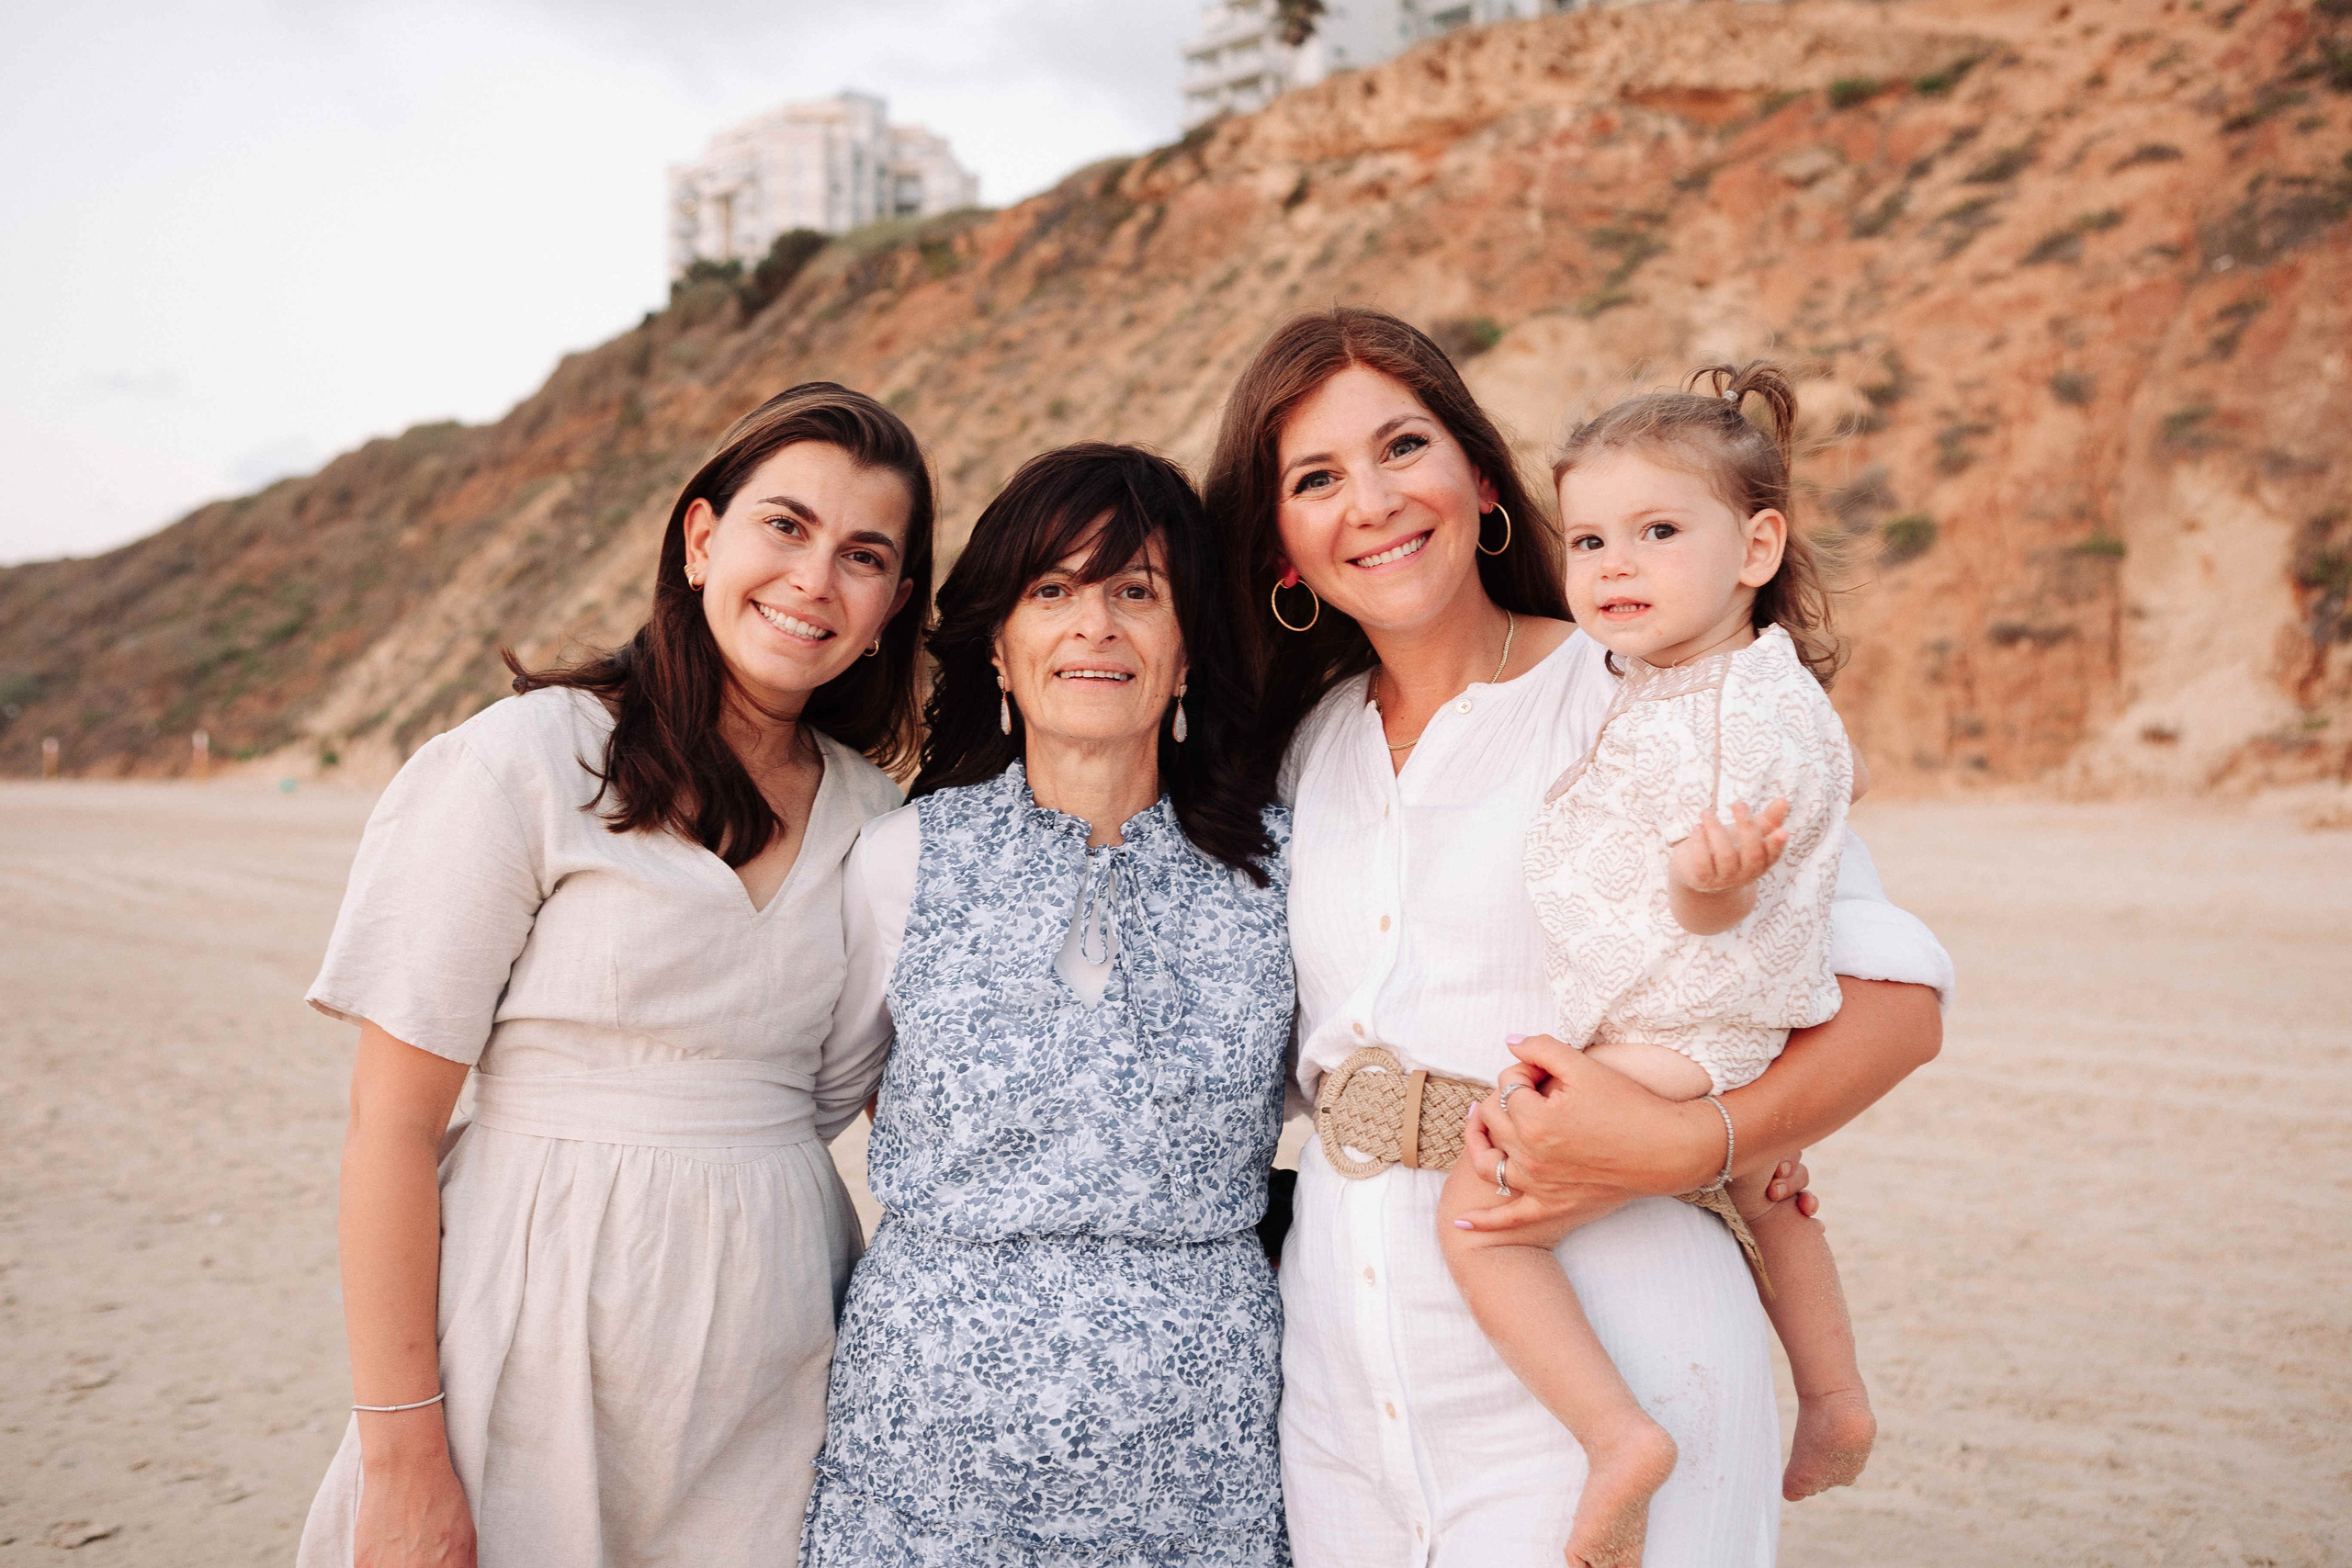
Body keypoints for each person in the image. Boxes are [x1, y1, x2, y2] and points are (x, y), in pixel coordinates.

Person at [1203, 307, 1954, 1567]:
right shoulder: (1299, 748)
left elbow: (1900, 1004)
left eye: (1404, 446)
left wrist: (1692, 1137)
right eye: (1317, 477)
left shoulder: (1640, 686)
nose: (1374, 500)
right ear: (1280, 546)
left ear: (1481, 479)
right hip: (1344, 1382)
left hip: (1621, 1333)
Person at [298, 383, 934, 1567]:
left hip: (786, 1352)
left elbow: (900, 1105)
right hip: (530, 1319)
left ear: (894, 607)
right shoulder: (525, 762)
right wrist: (399, 1455)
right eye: (783, 527)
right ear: (702, 540)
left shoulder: (879, 822)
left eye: (863, 556)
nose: (814, 581)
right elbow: (387, 1131)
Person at [800, 444, 1295, 1567]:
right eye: (1053, 592)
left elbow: (1358, 1091)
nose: (1095, 626)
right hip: (923, 1443)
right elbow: (820, 1095)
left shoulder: (1282, 871)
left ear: (1186, 657)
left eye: (1136, 592)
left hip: (1199, 1446)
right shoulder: (901, 859)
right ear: (1001, 651)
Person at [1437, 361, 1877, 1568]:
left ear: (1757, 547)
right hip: (1741, 1019)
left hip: (1685, 1020)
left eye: (1657, 531)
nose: (1614, 564)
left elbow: (1716, 874)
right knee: (1771, 1186)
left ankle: (1616, 1433)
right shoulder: (1699, 678)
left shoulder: (1738, 712)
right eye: (1588, 538)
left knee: (1480, 1211)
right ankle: (1835, 1397)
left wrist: (1709, 875)